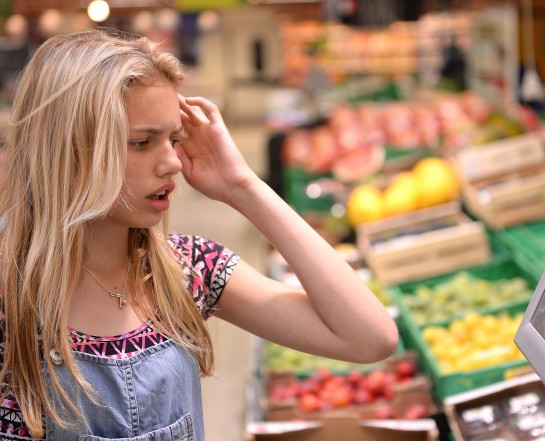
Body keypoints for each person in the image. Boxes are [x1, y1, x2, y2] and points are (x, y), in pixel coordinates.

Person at [0, 29, 398, 439]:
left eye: (174, 139)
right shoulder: (10, 300)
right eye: (141, 142)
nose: (171, 162)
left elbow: (371, 338)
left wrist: (243, 187)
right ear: (67, 150)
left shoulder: (185, 270)